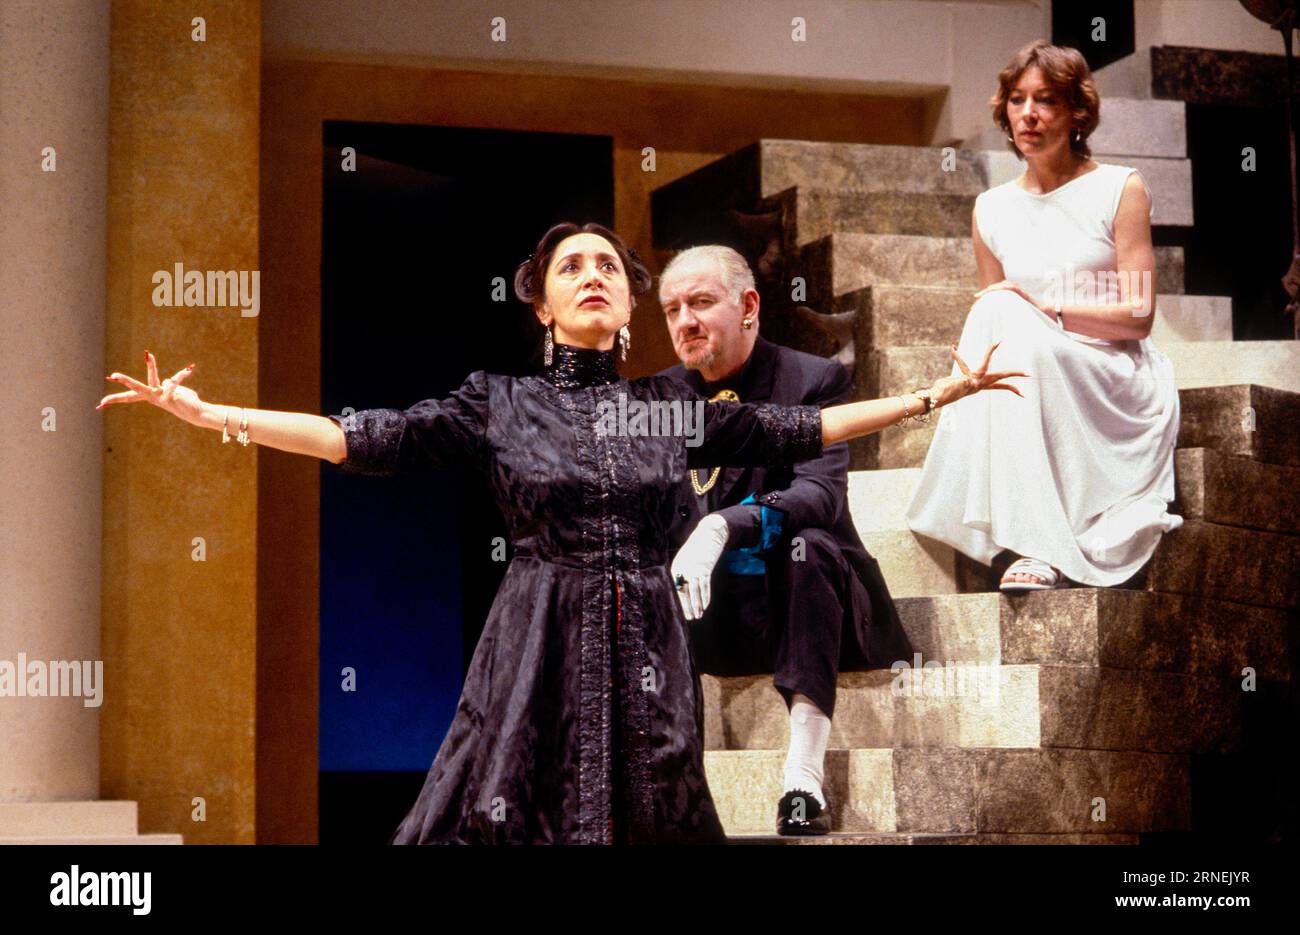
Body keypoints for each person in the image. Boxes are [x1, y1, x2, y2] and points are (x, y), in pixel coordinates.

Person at [96, 221, 1022, 844]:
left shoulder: (666, 404)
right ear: (541, 306)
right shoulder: (499, 402)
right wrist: (211, 413)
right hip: (536, 635)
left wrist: (935, 395)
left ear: (627, 309)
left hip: (649, 650)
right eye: (572, 267)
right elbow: (357, 437)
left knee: (655, 806)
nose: (593, 277)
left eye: (609, 269)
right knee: (504, 807)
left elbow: (800, 431)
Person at [907, 40, 1183, 592]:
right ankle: (1026, 533)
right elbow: (996, 326)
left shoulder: (1119, 188)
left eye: (1046, 100)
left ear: (1076, 112)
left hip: (1111, 370)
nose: (1027, 114)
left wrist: (1048, 308)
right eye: (1016, 100)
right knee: (995, 312)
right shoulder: (990, 207)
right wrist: (1018, 317)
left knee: (1009, 313)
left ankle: (1032, 544)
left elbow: (1137, 317)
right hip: (1033, 368)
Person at [657, 245, 912, 835]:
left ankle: (802, 776)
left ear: (748, 305)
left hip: (803, 607)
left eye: (700, 303)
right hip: (710, 613)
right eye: (671, 310)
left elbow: (819, 495)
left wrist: (723, 524)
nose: (684, 322)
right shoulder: (659, 397)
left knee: (809, 545)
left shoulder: (811, 378)